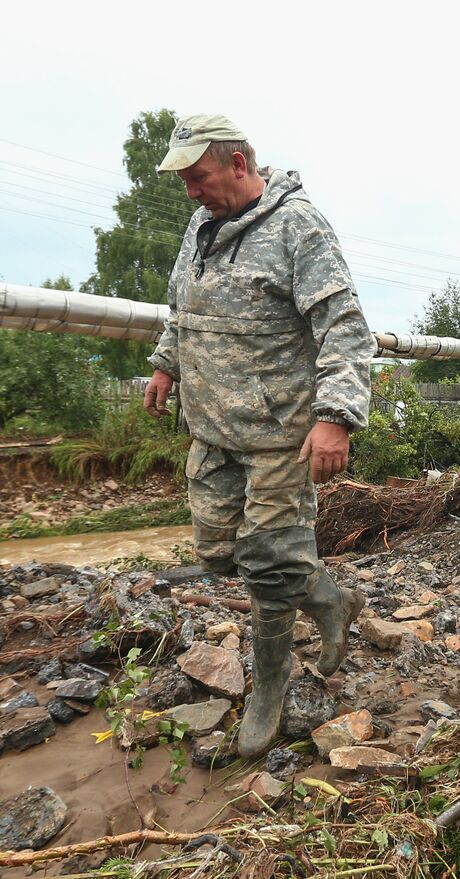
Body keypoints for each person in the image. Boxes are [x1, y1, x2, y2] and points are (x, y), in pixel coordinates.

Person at [143, 114, 375, 758]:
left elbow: (345, 327)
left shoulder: (299, 227)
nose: (191, 191)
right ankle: (330, 599)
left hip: (279, 433)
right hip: (214, 430)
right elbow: (182, 305)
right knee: (221, 555)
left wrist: (336, 416)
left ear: (239, 165)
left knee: (270, 570)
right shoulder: (202, 226)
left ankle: (267, 695)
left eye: (199, 177)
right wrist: (167, 362)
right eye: (186, 181)